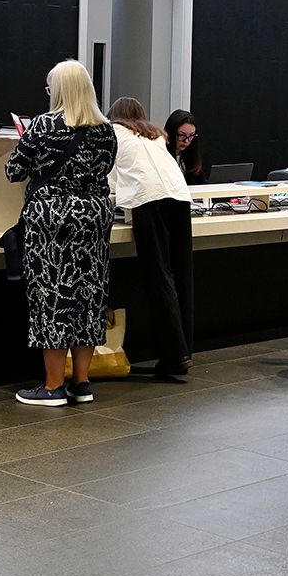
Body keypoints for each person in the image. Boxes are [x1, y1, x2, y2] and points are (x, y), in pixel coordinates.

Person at [5, 60, 118, 406]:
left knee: (52, 296)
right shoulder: (106, 129)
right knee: (88, 295)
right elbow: (107, 167)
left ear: (58, 90)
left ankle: (53, 386)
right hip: (94, 218)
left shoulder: (43, 125)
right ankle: (81, 383)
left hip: (52, 221)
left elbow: (14, 170)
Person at [106, 97, 194, 376]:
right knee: (181, 273)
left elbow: (111, 180)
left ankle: (175, 355)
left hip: (149, 200)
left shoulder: (113, 133)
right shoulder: (156, 134)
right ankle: (185, 347)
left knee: (159, 276)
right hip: (179, 197)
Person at [163, 109, 209, 185]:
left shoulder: (190, 156)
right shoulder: (161, 156)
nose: (186, 141)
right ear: (170, 133)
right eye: (182, 135)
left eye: (191, 136)